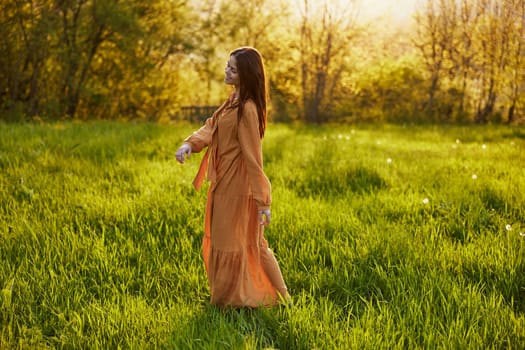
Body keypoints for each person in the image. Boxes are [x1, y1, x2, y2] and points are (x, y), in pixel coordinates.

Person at [175, 47, 289, 308]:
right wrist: (190, 145)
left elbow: (253, 159)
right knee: (231, 241)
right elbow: (211, 125)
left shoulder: (247, 109)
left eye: (233, 69)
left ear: (246, 75)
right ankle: (230, 298)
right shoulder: (233, 99)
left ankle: (273, 298)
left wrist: (264, 202)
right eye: (227, 66)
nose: (226, 71)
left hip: (238, 186)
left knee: (248, 243)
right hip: (223, 182)